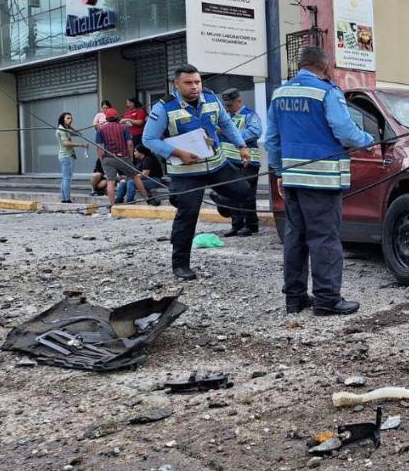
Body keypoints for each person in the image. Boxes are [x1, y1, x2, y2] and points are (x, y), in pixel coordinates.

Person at [265, 46, 373, 316]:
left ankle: (295, 298)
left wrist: (279, 171)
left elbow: (271, 140)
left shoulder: (279, 94)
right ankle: (327, 300)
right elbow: (345, 130)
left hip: (292, 179)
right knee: (324, 239)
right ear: (325, 66)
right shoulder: (327, 92)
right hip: (322, 181)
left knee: (296, 238)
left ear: (301, 65)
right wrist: (367, 142)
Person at [143, 64, 255, 281]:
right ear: (176, 84)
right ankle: (181, 264)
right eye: (188, 83)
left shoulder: (212, 99)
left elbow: (226, 124)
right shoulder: (164, 108)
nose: (195, 87)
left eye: (197, 82)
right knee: (188, 215)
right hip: (186, 171)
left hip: (216, 164)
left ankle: (219, 199)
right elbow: (149, 139)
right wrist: (176, 152)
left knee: (243, 191)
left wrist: (242, 146)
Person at [218, 88, 263, 237]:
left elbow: (255, 131)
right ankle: (236, 225)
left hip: (248, 162)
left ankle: (251, 225)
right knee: (232, 194)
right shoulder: (225, 118)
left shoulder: (249, 115)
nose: (227, 108)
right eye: (226, 105)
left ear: (239, 101)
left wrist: (234, 135)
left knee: (247, 194)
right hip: (230, 162)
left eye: (230, 105)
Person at [95, 108, 133, 206]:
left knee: (110, 182)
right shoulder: (123, 127)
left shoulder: (101, 129)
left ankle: (112, 205)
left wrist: (101, 159)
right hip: (123, 157)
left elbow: (99, 147)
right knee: (132, 177)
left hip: (109, 158)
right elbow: (130, 144)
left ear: (106, 118)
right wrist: (130, 156)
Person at [56, 112, 88, 204]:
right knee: (67, 178)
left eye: (71, 118)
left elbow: (79, 134)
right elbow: (66, 143)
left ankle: (65, 198)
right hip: (66, 156)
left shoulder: (65, 129)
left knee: (65, 178)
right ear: (63, 119)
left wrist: (71, 126)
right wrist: (81, 145)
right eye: (68, 118)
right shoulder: (62, 130)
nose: (70, 120)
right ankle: (67, 199)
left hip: (65, 156)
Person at [90, 100, 112, 196]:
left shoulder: (111, 115)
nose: (105, 109)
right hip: (101, 136)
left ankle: (103, 188)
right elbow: (94, 124)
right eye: (103, 108)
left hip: (110, 137)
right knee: (101, 153)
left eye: (107, 108)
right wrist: (100, 126)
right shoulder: (99, 115)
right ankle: (94, 190)